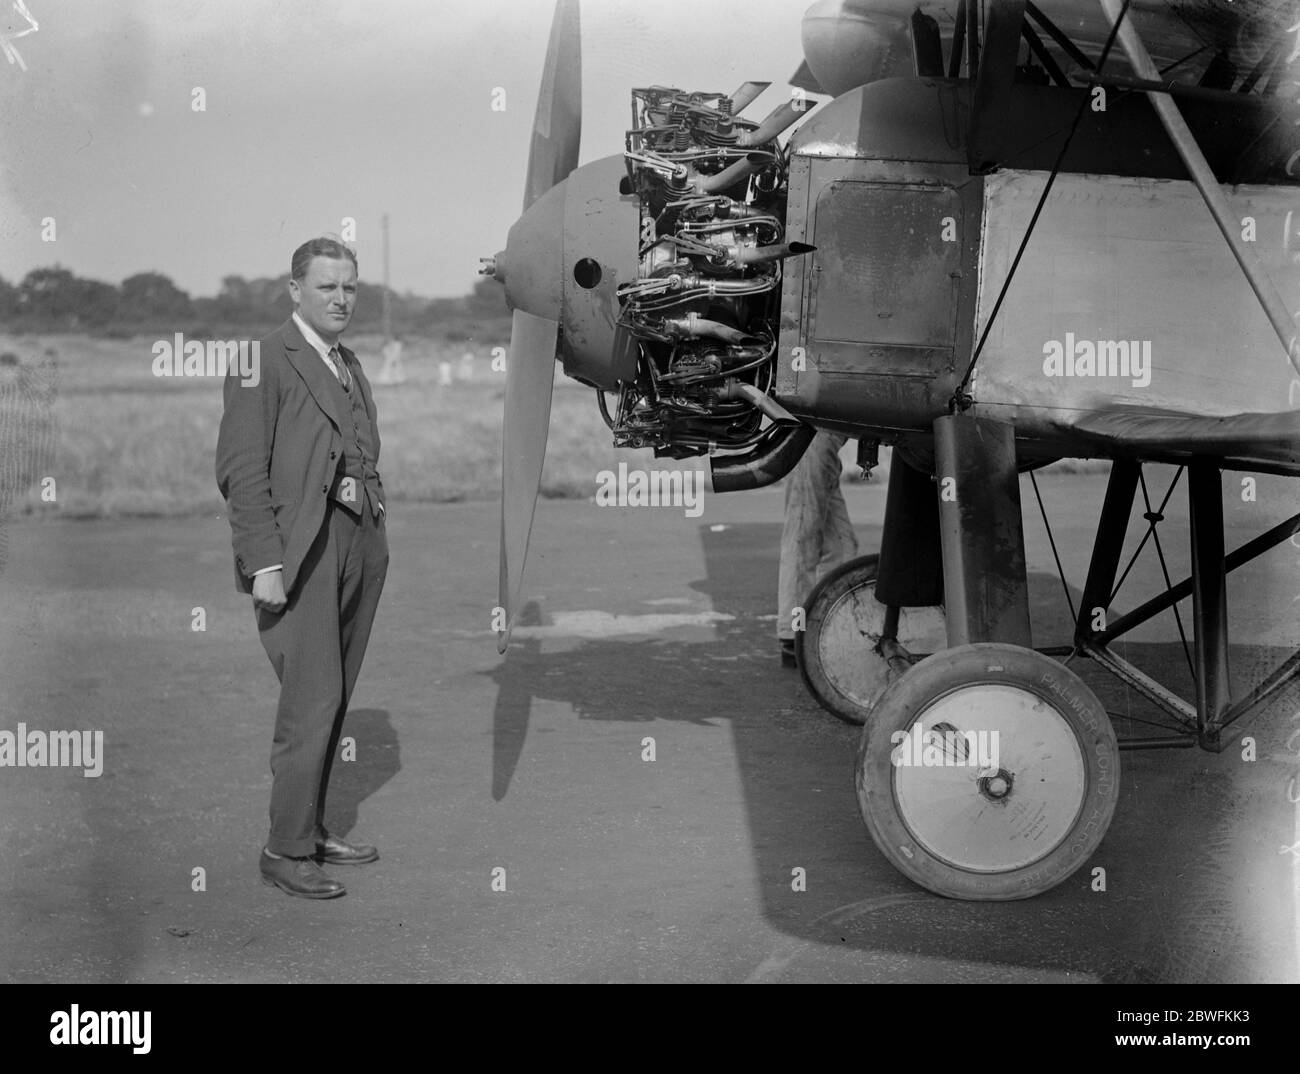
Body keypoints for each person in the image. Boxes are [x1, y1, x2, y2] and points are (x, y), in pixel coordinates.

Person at [216, 236, 389, 899]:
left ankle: (311, 828)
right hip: (300, 556)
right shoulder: (262, 360)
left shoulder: (347, 363)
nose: (341, 298)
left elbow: (358, 449)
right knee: (309, 702)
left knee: (334, 695)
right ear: (295, 291)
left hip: (358, 545)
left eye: (350, 287)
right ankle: (284, 851)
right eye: (327, 286)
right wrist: (263, 563)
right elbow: (240, 471)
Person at [777, 430, 858, 666]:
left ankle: (829, 625)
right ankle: (793, 635)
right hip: (813, 437)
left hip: (823, 440)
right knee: (803, 537)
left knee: (842, 546)